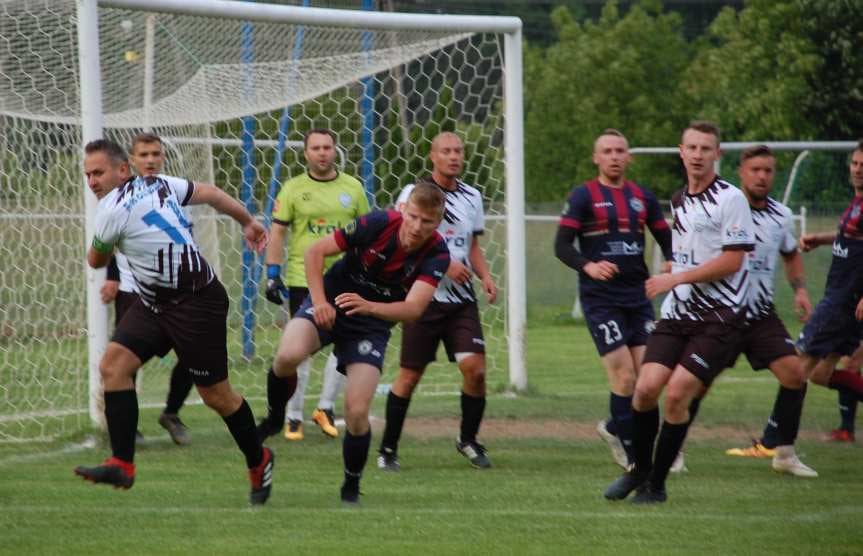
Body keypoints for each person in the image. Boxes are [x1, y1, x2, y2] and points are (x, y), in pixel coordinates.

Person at [74, 139, 274, 506]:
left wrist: (108, 243)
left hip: (197, 302)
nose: (92, 181)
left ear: (123, 170)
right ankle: (122, 463)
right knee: (113, 367)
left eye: (98, 172)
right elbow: (212, 194)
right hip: (154, 303)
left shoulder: (110, 211)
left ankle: (258, 459)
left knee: (217, 396)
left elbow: (95, 260)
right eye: (87, 174)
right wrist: (248, 221)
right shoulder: (160, 183)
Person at [256, 182, 449, 504]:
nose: (417, 227)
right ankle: (277, 416)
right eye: (413, 217)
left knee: (357, 411)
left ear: (437, 223)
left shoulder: (438, 253)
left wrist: (369, 307)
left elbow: (413, 310)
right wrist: (319, 302)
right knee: (287, 355)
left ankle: (351, 487)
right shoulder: (377, 223)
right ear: (404, 210)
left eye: (427, 222)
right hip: (330, 301)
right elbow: (314, 251)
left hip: (371, 324)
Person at [604, 121, 755, 504]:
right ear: (681, 151)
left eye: (706, 148)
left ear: (717, 154)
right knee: (644, 390)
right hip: (679, 313)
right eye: (692, 147)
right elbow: (689, 253)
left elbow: (733, 261)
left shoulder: (731, 198)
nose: (698, 155)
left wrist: (678, 276)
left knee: (675, 396)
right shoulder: (679, 200)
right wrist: (675, 274)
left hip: (721, 316)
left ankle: (656, 485)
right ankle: (638, 469)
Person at [376, 132, 498, 471]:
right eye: (446, 151)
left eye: (458, 150)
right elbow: (405, 242)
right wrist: (445, 264)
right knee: (408, 377)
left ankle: (468, 440)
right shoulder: (413, 196)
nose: (454, 156)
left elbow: (471, 245)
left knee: (475, 370)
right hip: (422, 297)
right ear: (433, 156)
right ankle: (387, 450)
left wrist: (485, 275)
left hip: (461, 300)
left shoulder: (472, 196)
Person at [553, 129, 672, 470]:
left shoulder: (642, 197)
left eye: (620, 150)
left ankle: (614, 428)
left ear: (629, 156)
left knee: (649, 378)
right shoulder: (583, 196)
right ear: (596, 158)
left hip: (638, 298)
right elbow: (561, 246)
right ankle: (637, 457)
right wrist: (588, 265)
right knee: (624, 378)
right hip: (601, 299)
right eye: (607, 151)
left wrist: (670, 259)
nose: (615, 156)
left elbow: (664, 234)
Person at [261, 129, 369, 441]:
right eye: (315, 148)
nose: (322, 153)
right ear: (306, 153)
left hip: (347, 280)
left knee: (343, 345)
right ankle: (293, 416)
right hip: (302, 280)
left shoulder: (353, 188)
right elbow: (278, 233)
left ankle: (325, 408)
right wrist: (272, 272)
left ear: (335, 150)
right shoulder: (293, 188)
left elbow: (366, 235)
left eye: (327, 147)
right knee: (300, 350)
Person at [717, 145, 816, 477]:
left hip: (760, 314)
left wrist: (800, 289)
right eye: (755, 169)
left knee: (795, 375)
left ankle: (784, 453)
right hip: (723, 311)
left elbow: (790, 252)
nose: (761, 176)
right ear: (742, 172)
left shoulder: (781, 215)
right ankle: (674, 452)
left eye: (768, 170)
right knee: (694, 384)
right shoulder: (723, 208)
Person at [100, 133, 196, 445]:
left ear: (163, 157)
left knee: (194, 353)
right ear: (132, 161)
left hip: (175, 293)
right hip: (133, 291)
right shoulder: (121, 197)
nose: (151, 159)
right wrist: (112, 275)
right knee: (126, 361)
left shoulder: (177, 191)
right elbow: (110, 239)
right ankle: (129, 426)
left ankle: (171, 413)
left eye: (156, 153)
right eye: (144, 155)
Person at [785, 142, 863, 423]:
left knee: (796, 367)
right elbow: (851, 235)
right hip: (843, 299)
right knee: (821, 374)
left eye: (862, 166)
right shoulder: (857, 203)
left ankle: (774, 442)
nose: (857, 170)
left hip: (843, 301)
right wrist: (820, 239)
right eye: (855, 164)